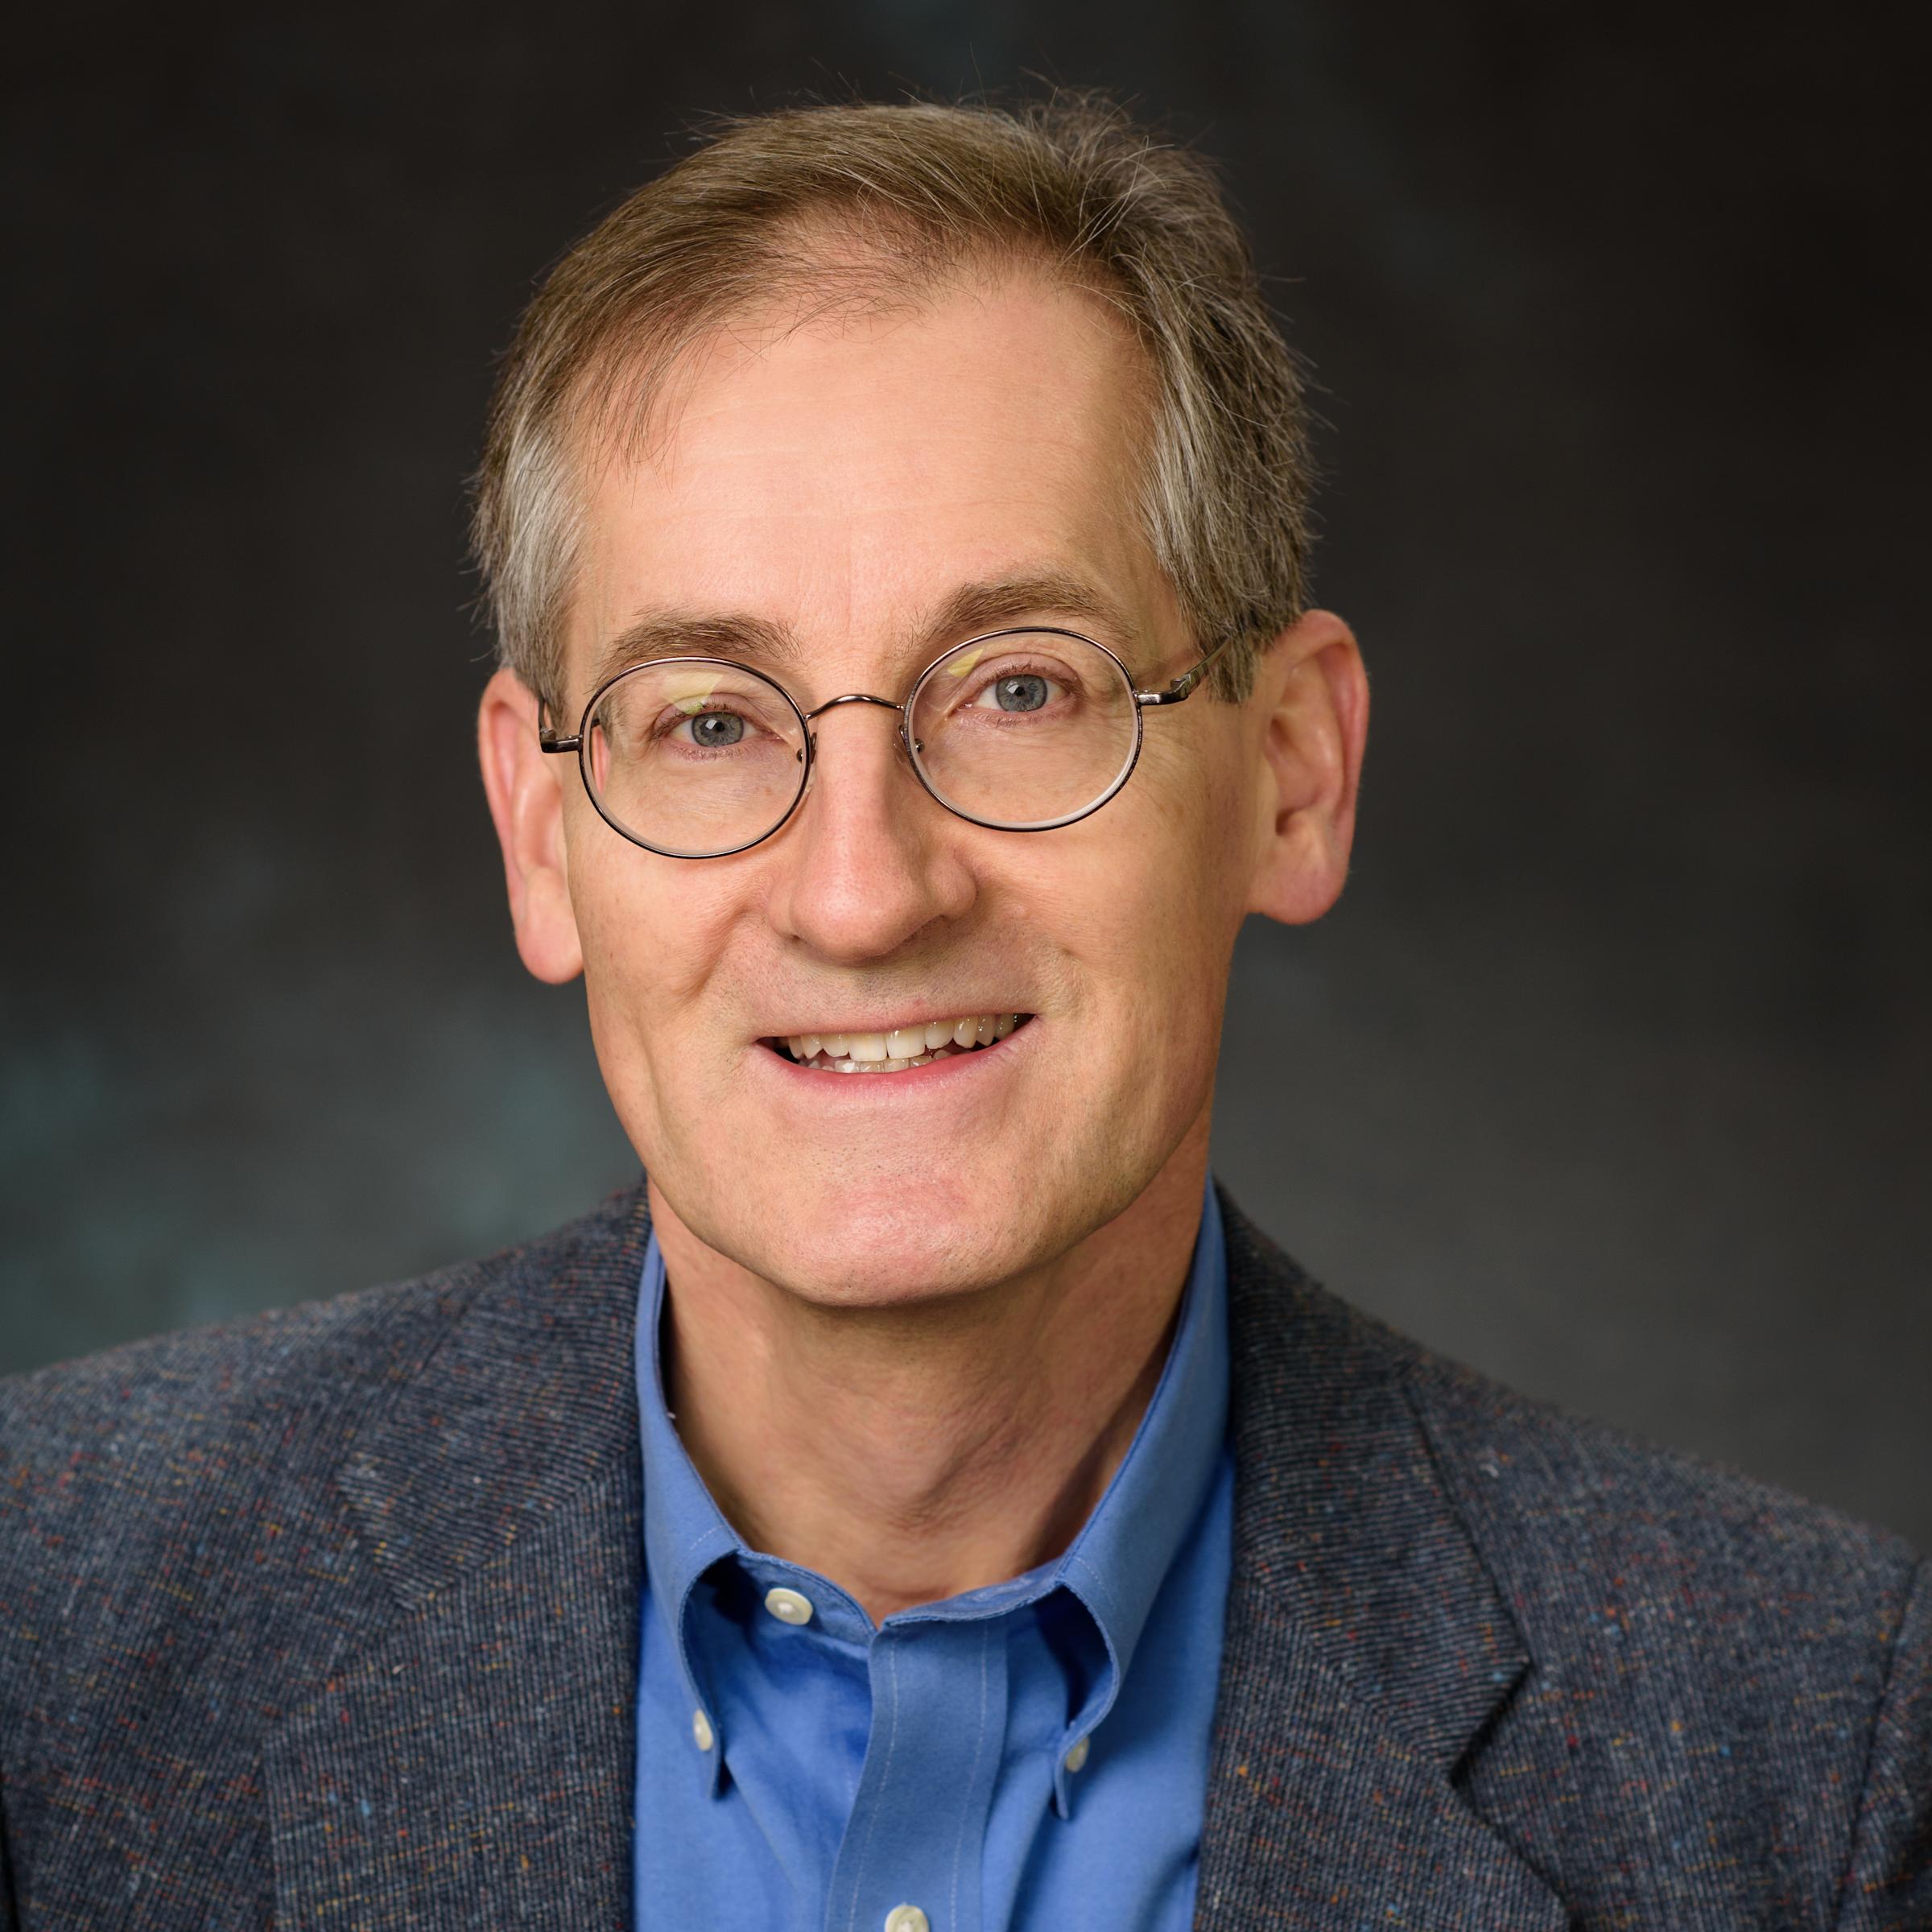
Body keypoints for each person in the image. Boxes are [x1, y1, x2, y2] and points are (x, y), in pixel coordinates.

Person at [1, 94, 1925, 1932]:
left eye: (1021, 689)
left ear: (1292, 772)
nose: (863, 891)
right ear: (539, 831)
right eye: (707, 720)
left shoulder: (1801, 1758)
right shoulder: (52, 1614)